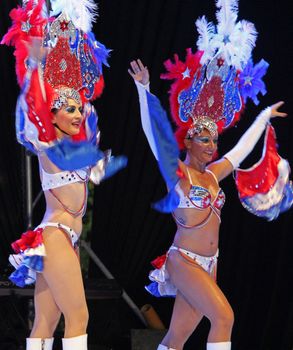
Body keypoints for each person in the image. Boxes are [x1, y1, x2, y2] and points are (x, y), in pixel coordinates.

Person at [128, 2, 291, 349]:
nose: (212, 144)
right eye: (204, 138)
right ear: (188, 140)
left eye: (214, 138)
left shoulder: (216, 174)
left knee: (177, 338)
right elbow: (152, 135)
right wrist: (144, 91)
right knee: (224, 318)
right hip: (183, 260)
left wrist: (262, 117)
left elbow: (240, 151)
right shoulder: (177, 170)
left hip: (209, 263)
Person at [2, 1, 126, 349]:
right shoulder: (46, 141)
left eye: (77, 108)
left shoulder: (79, 148)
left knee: (45, 321)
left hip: (66, 239)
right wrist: (35, 66)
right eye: (67, 109)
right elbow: (33, 103)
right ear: (52, 116)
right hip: (55, 234)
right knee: (79, 317)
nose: (76, 113)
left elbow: (90, 115)